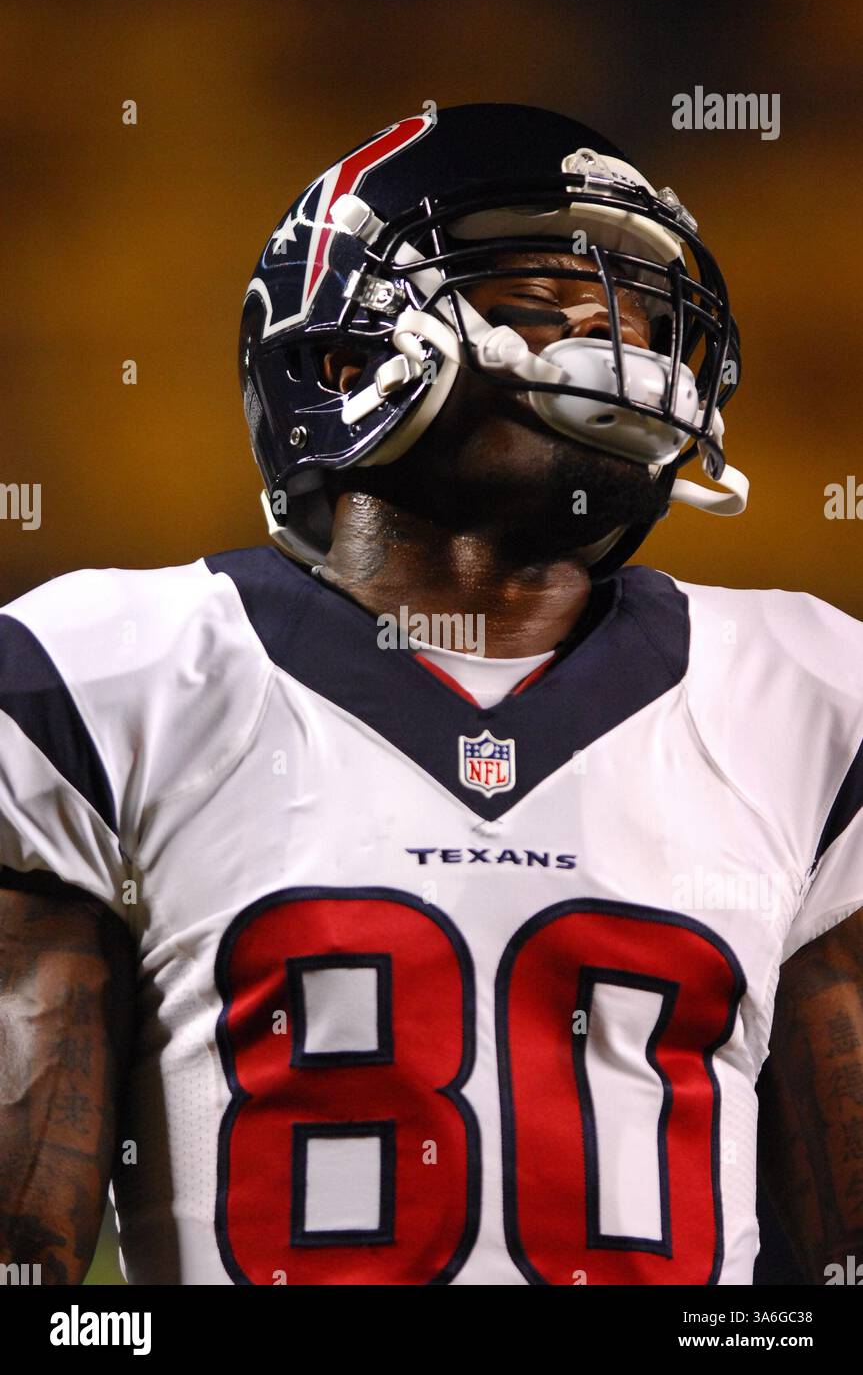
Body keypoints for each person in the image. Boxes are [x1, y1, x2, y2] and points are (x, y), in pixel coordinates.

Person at [1, 103, 860, 1286]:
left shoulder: (809, 700)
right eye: (540, 307)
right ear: (341, 364)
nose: (618, 350)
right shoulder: (108, 681)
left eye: (638, 320)